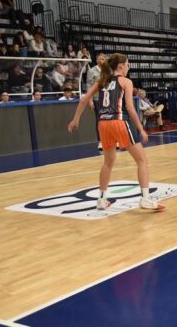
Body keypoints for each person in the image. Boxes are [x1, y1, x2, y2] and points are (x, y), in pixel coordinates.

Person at [67, 53, 164, 211]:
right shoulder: (126, 81)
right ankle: (146, 198)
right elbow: (130, 108)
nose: (128, 67)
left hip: (103, 123)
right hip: (119, 121)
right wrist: (140, 128)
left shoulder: (102, 81)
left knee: (108, 163)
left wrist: (75, 119)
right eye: (127, 64)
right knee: (141, 161)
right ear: (120, 66)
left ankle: (101, 199)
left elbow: (84, 99)